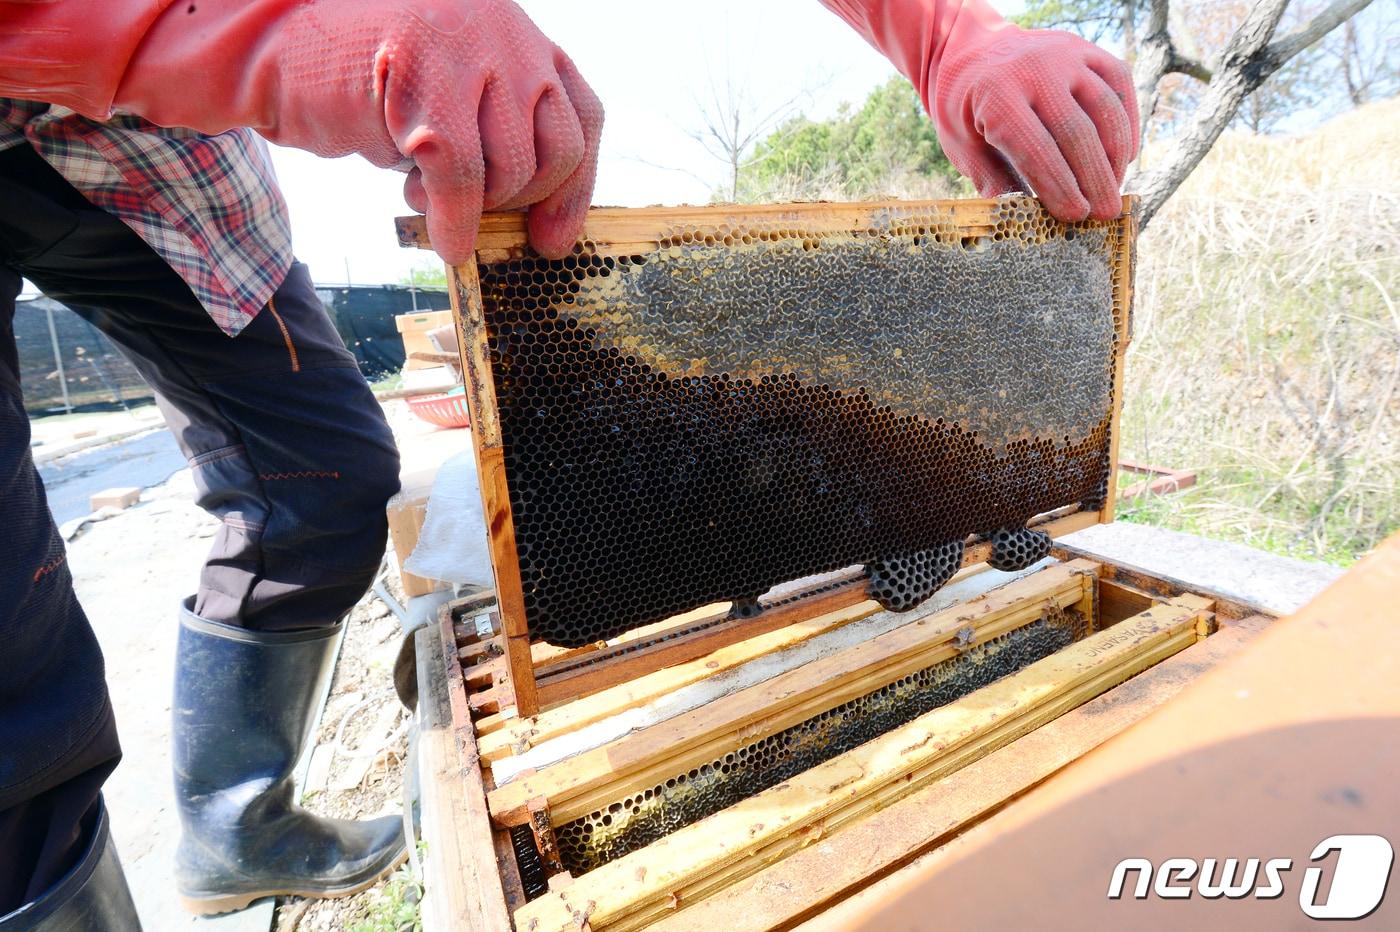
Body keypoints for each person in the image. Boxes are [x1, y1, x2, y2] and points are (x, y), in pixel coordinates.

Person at [0, 0, 1137, 927]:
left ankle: (230, 825)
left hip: (150, 161)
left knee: (325, 478)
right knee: (12, 667)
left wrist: (950, 37)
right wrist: (281, 26)